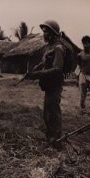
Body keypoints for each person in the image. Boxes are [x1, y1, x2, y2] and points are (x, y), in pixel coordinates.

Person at [25, 20, 65, 150]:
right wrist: (34, 70)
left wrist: (37, 74)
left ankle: (57, 141)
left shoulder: (58, 47)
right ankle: (51, 138)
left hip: (55, 84)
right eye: (44, 31)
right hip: (48, 84)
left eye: (47, 32)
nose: (44, 34)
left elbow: (57, 68)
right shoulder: (49, 47)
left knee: (53, 112)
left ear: (53, 33)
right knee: (47, 113)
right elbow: (43, 63)